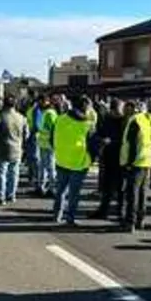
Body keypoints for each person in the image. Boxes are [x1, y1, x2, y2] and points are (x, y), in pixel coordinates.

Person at [52, 96, 95, 227]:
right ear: (85, 108)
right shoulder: (88, 125)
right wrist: (92, 158)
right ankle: (70, 218)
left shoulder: (60, 119)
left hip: (61, 159)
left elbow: (51, 138)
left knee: (60, 190)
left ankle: (56, 215)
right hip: (79, 162)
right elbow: (93, 146)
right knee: (74, 193)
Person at [120, 100, 151, 232]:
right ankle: (140, 220)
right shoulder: (147, 120)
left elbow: (132, 143)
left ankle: (130, 222)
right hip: (146, 160)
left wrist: (129, 162)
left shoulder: (135, 121)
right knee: (142, 193)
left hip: (135, 162)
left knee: (132, 193)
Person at [89, 98, 126, 219]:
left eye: (119, 110)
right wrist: (101, 140)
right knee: (107, 187)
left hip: (122, 158)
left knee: (121, 188)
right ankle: (103, 211)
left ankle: (121, 212)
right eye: (115, 110)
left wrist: (112, 141)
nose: (117, 112)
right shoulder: (107, 120)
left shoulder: (125, 121)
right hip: (108, 156)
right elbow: (97, 135)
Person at [0, 95, 28, 205]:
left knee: (1, 173)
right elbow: (26, 134)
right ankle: (11, 195)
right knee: (14, 173)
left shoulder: (0, 117)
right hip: (17, 149)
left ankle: (1, 196)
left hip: (2, 149)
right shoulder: (21, 117)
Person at [36, 96, 58, 197]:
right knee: (44, 166)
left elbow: (52, 129)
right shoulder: (46, 112)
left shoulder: (49, 113)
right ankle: (43, 187)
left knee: (49, 167)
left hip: (48, 144)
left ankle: (50, 188)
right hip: (45, 143)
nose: (40, 103)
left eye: (42, 102)